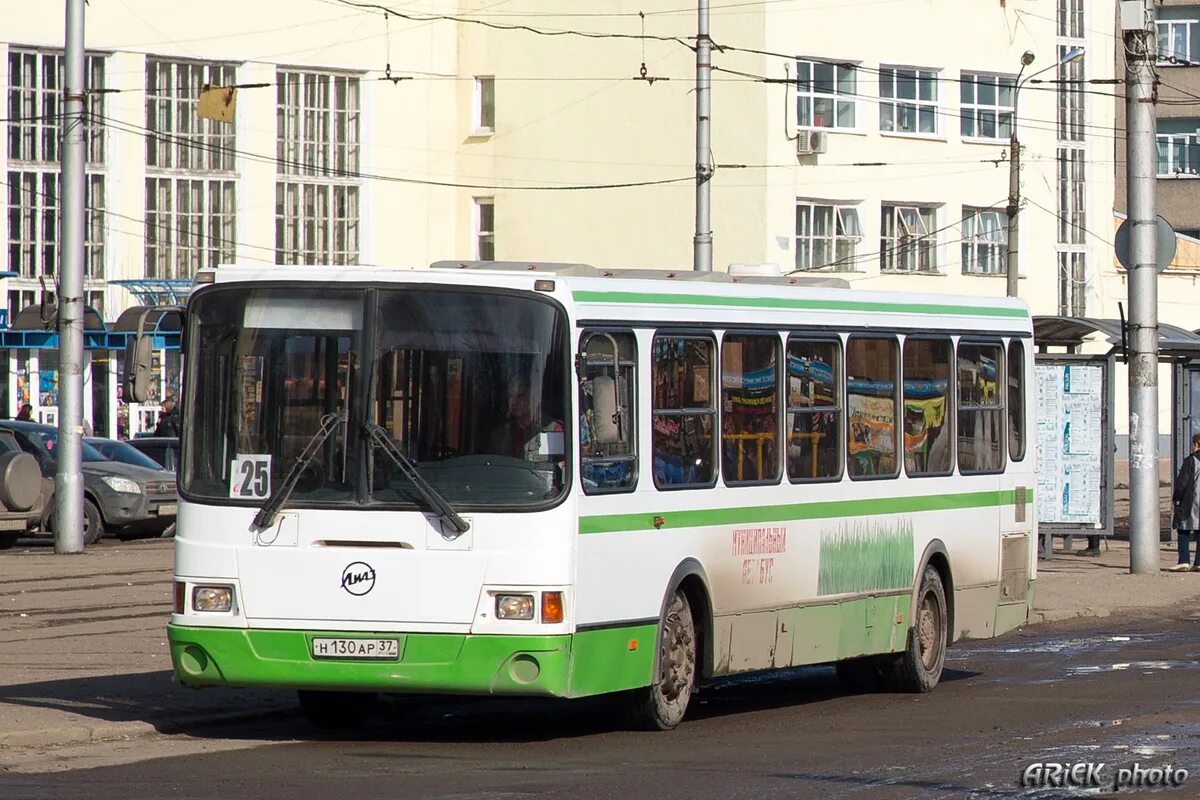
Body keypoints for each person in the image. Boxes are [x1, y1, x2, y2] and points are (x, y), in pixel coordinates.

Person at [1170, 432, 1200, 572]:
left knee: (1183, 528)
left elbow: (1182, 482)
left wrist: (1176, 498)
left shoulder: (1191, 460)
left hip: (1192, 500)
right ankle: (1199, 562)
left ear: (1196, 444)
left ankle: (1184, 560)